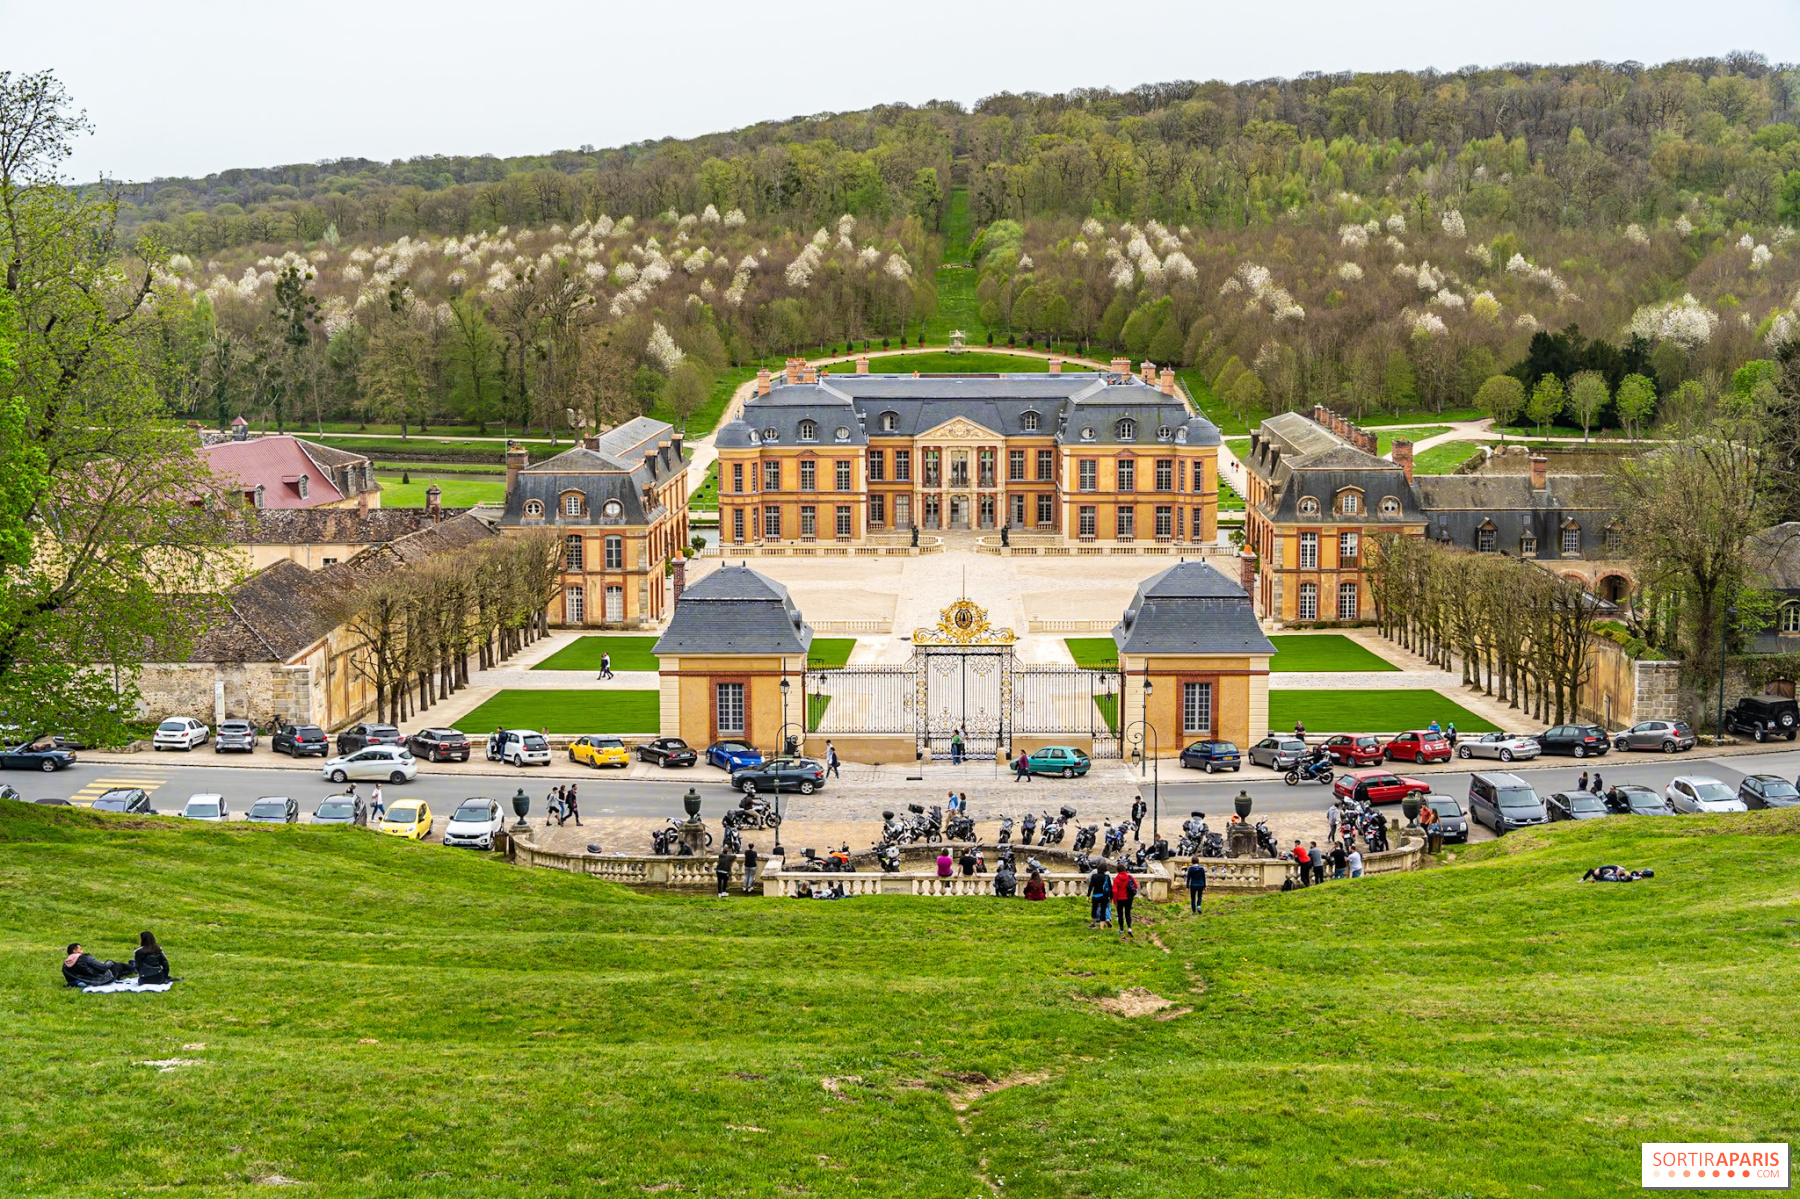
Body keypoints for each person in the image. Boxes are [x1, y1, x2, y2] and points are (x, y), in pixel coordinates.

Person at [62, 943, 130, 988]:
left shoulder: (65, 965)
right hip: (101, 979)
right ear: (74, 951)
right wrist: (109, 962)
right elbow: (103, 967)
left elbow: (69, 979)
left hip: (85, 980)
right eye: (80, 949)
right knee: (118, 966)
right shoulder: (85, 958)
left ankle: (130, 969)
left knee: (121, 971)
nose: (82, 951)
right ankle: (134, 967)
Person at [1111, 866, 1138, 939]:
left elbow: (1115, 891)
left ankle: (1121, 930)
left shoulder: (1116, 879)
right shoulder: (1130, 877)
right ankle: (1129, 928)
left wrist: (1115, 900)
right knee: (1128, 913)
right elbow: (1136, 885)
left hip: (1120, 899)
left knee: (1120, 914)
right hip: (1129, 898)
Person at [1086, 859, 1112, 928]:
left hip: (1096, 895)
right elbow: (1110, 887)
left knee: (1094, 909)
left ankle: (1093, 924)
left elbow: (1091, 886)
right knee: (1103, 910)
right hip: (1104, 896)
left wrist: (1088, 895)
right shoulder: (1107, 877)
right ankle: (1102, 927)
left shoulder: (1094, 876)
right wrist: (1111, 897)